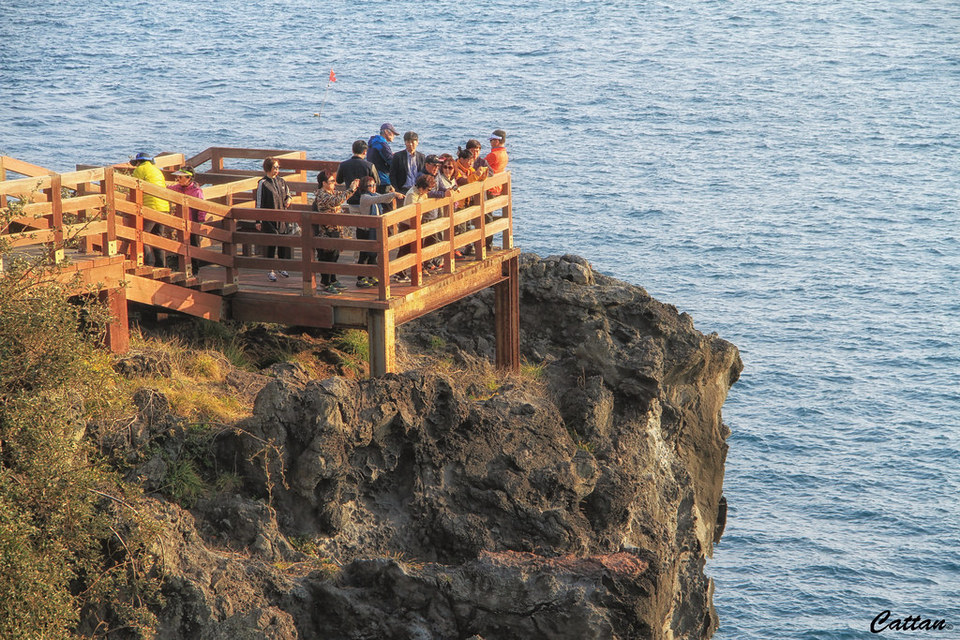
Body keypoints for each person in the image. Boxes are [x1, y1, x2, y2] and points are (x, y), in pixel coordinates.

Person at [313, 171, 360, 294]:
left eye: (334, 181)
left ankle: (333, 280)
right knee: (327, 258)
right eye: (332, 181)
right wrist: (351, 189)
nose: (334, 183)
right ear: (324, 183)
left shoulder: (332, 192)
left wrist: (353, 188)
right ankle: (325, 283)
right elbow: (337, 201)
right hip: (325, 232)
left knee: (335, 256)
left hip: (335, 230)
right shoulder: (322, 195)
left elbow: (341, 195)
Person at [356, 176, 404, 288]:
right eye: (370, 186)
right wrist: (394, 194)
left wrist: (393, 195)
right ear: (364, 187)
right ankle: (361, 278)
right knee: (364, 255)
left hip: (375, 229)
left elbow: (384, 199)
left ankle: (372, 276)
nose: (373, 187)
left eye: (374, 185)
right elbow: (379, 199)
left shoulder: (374, 195)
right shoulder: (365, 197)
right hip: (365, 231)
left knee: (373, 255)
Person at [256, 157, 293, 282]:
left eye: (278, 167)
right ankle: (270, 270)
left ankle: (281, 267)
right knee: (271, 244)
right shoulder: (262, 183)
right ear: (268, 168)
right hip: (268, 219)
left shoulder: (281, 181)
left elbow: (288, 194)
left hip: (282, 217)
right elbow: (259, 202)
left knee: (283, 242)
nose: (277, 170)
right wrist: (258, 221)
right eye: (275, 167)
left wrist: (289, 199)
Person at [130, 152, 170, 267]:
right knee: (158, 236)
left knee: (143, 234)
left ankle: (149, 262)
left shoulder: (139, 170)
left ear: (138, 162)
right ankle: (161, 265)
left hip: (151, 206)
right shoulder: (157, 170)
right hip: (164, 207)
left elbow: (133, 187)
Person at [167, 165, 204, 275]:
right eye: (178, 177)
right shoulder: (178, 188)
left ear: (189, 178)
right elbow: (166, 189)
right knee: (181, 245)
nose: (178, 179)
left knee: (193, 246)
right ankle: (183, 268)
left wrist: (200, 221)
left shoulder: (196, 191)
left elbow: (202, 207)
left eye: (180, 177)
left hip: (193, 223)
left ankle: (195, 270)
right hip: (181, 223)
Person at [337, 139, 378, 215]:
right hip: (367, 199)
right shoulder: (370, 166)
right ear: (365, 152)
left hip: (352, 199)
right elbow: (377, 182)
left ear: (352, 151)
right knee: (368, 221)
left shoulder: (343, 165)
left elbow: (339, 181)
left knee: (355, 221)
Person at [366, 123, 398, 187]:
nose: (394, 136)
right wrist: (396, 157)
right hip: (382, 179)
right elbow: (390, 161)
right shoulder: (382, 144)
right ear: (386, 132)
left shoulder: (373, 142)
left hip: (373, 176)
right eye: (393, 133)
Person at [485, 129, 509, 196]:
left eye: (491, 140)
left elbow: (479, 165)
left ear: (497, 141)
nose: (490, 142)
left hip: (490, 188)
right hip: (498, 187)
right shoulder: (505, 154)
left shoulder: (493, 155)